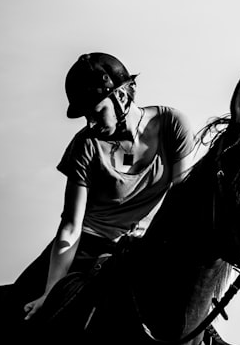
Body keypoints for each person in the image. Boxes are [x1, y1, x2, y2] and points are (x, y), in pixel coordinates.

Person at [18, 52, 198, 320]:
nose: (90, 123)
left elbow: (181, 202)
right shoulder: (85, 144)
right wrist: (51, 292)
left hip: (141, 252)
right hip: (83, 251)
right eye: (86, 115)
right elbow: (70, 225)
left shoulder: (173, 125)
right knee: (12, 315)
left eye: (96, 111)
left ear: (123, 96)